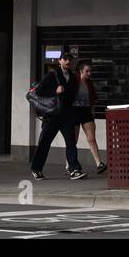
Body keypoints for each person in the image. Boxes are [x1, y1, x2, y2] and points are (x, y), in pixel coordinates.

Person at [29, 47, 85, 180]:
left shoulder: (72, 77)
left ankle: (74, 169)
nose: (67, 62)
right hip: (52, 116)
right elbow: (39, 91)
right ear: (59, 61)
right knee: (44, 142)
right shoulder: (52, 74)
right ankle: (36, 169)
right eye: (64, 59)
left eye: (69, 60)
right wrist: (55, 90)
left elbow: (72, 95)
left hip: (67, 116)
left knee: (71, 143)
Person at [74, 61, 106, 174]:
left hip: (86, 111)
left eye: (90, 71)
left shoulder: (89, 83)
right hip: (74, 111)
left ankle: (99, 163)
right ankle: (70, 165)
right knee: (73, 140)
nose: (89, 73)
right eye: (87, 71)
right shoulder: (74, 81)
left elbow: (93, 99)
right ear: (81, 71)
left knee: (91, 138)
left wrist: (92, 111)